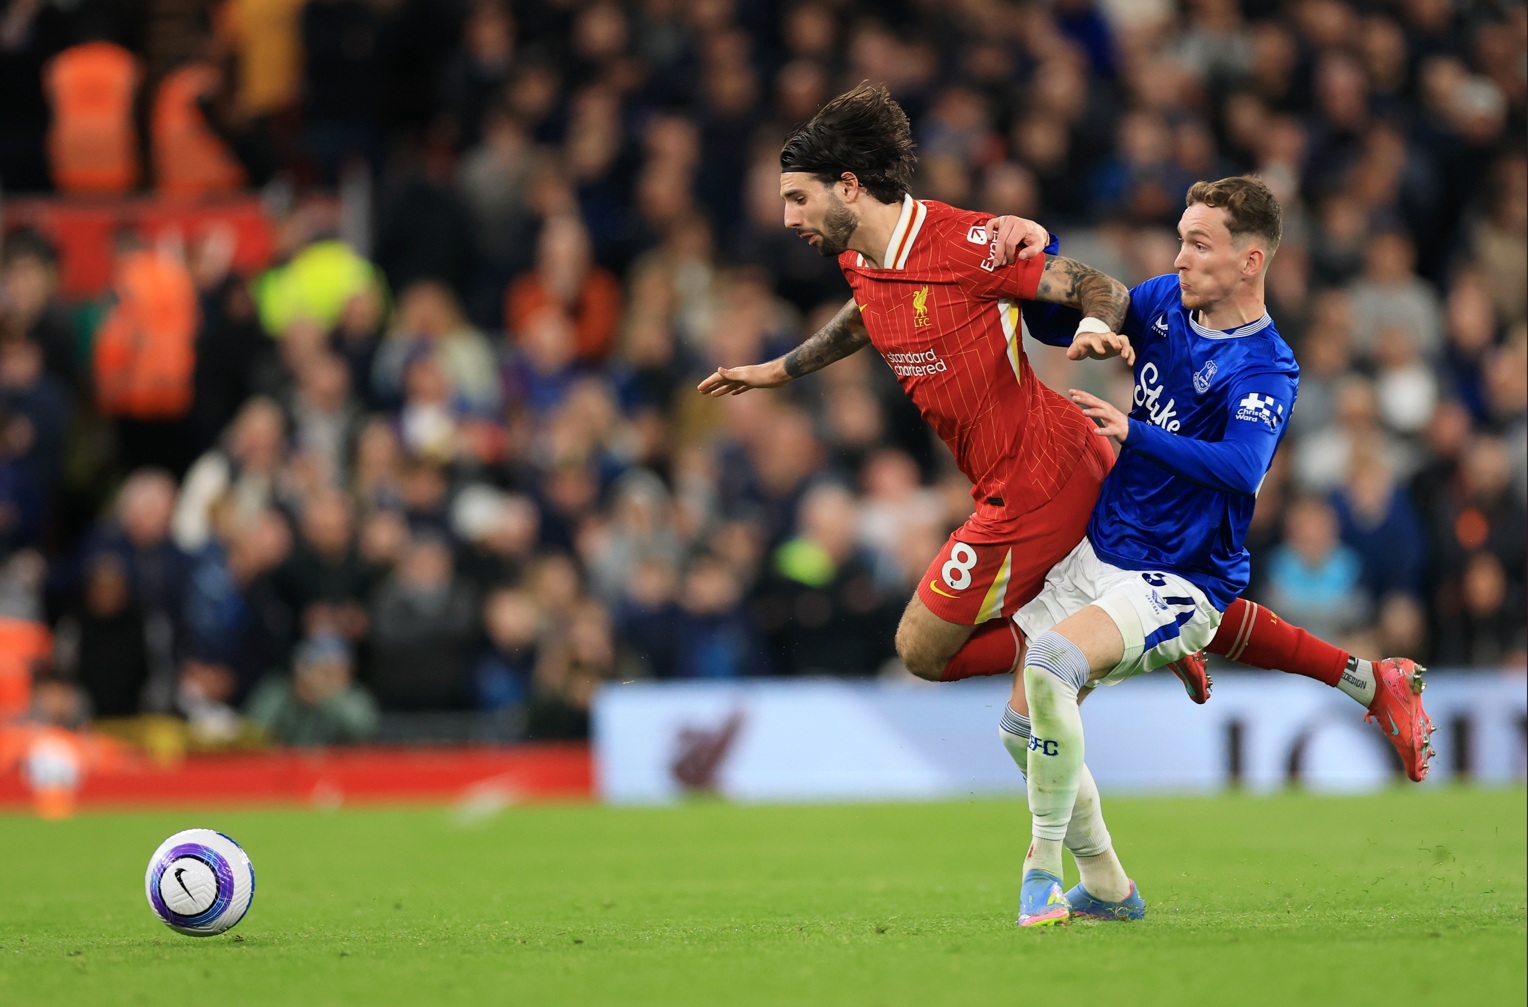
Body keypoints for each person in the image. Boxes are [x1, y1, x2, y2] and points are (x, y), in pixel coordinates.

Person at [1006, 177, 1431, 927]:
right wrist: (1041, 265)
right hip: (1105, 551)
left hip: (1181, 577)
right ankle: (1106, 883)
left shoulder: (1265, 366)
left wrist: (1132, 431)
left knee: (1050, 668)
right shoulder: (1166, 301)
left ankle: (1039, 872)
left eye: (1199, 244)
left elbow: (1242, 467)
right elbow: (1057, 321)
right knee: (1021, 729)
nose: (1179, 257)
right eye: (1180, 238)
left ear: (1249, 261)